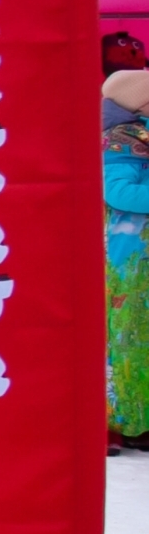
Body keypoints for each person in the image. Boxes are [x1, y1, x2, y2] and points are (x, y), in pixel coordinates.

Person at [106, 70, 149, 449]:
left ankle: (139, 420)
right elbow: (119, 193)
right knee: (127, 337)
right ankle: (120, 422)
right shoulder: (121, 142)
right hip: (129, 262)